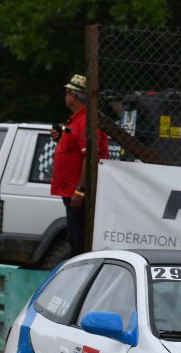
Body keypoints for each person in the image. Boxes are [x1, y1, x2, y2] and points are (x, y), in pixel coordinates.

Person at [51, 73, 108, 256]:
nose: (65, 96)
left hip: (78, 193)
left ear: (73, 95)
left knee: (80, 243)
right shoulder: (76, 120)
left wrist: (80, 190)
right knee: (74, 239)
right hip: (70, 191)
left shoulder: (85, 121)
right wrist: (60, 138)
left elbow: (90, 157)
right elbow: (74, 150)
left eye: (67, 92)